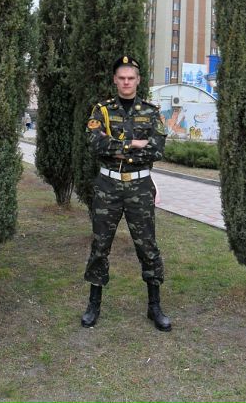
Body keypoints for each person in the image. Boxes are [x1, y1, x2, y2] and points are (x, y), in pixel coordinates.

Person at [81, 55, 171, 332]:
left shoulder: (152, 112)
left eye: (131, 78)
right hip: (108, 187)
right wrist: (135, 143)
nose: (126, 82)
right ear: (115, 80)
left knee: (148, 246)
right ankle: (94, 304)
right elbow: (95, 143)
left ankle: (154, 306)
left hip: (140, 188)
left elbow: (157, 149)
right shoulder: (102, 111)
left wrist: (118, 147)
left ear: (138, 80)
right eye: (121, 78)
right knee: (100, 246)